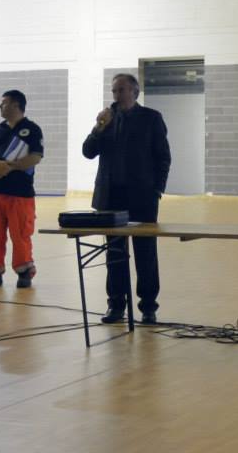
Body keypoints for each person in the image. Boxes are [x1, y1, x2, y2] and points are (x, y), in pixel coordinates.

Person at [83, 73, 171, 324]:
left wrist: (157, 190)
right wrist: (99, 128)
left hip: (142, 198)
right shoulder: (106, 119)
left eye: (121, 90)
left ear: (135, 92)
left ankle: (148, 307)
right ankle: (116, 305)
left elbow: (163, 157)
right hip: (111, 198)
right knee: (114, 254)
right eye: (114, 91)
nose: (116, 95)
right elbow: (88, 152)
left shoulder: (151, 118)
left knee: (145, 254)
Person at [0, 90, 43, 289]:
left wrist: (10, 167)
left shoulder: (32, 130)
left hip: (19, 193)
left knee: (20, 233)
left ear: (16, 105)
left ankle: (24, 272)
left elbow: (36, 156)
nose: (0, 106)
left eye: (4, 103)